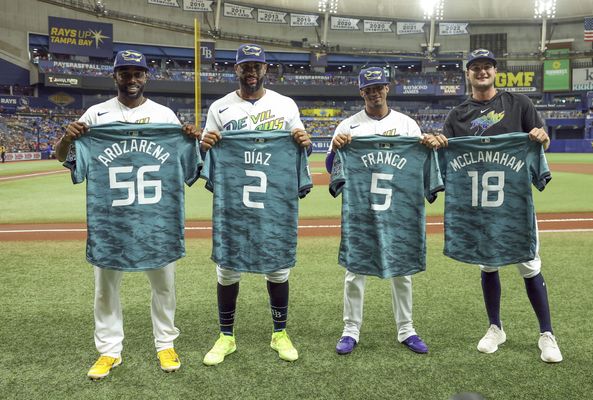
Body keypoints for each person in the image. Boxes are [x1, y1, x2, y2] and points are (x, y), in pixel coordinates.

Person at [55, 50, 201, 379]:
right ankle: (109, 351)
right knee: (105, 289)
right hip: (111, 222)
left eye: (137, 73)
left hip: (156, 220)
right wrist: (67, 137)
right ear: (115, 77)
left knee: (164, 286)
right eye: (125, 73)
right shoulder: (96, 114)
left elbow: (190, 163)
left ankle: (165, 343)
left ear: (146, 77)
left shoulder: (165, 116)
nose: (131, 79)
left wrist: (192, 140)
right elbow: (62, 157)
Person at [428, 48, 562, 363]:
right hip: (478, 206)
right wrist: (437, 142)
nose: (482, 71)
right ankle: (495, 327)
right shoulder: (457, 115)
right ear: (468, 73)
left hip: (514, 205)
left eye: (487, 66)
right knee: (487, 264)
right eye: (475, 67)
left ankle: (546, 333)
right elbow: (444, 151)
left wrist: (542, 137)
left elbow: (543, 145)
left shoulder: (520, 104)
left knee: (529, 264)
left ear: (495, 71)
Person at [200, 43, 311, 365]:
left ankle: (280, 332)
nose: (251, 71)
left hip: (273, 202)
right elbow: (207, 155)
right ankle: (226, 336)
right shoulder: (220, 108)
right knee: (227, 270)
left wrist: (302, 142)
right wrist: (206, 145)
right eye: (245, 66)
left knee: (277, 270)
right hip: (234, 205)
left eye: (256, 66)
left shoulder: (285, 104)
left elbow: (297, 142)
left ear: (265, 69)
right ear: (236, 70)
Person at [325, 67, 439, 355]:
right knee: (354, 271)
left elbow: (421, 164)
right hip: (360, 210)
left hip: (399, 209)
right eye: (368, 88)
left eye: (379, 87)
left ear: (387, 88)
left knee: (402, 272)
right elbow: (332, 168)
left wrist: (426, 145)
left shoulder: (408, 125)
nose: (374, 92)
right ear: (361, 92)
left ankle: (406, 329)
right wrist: (336, 150)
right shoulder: (347, 127)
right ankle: (351, 330)